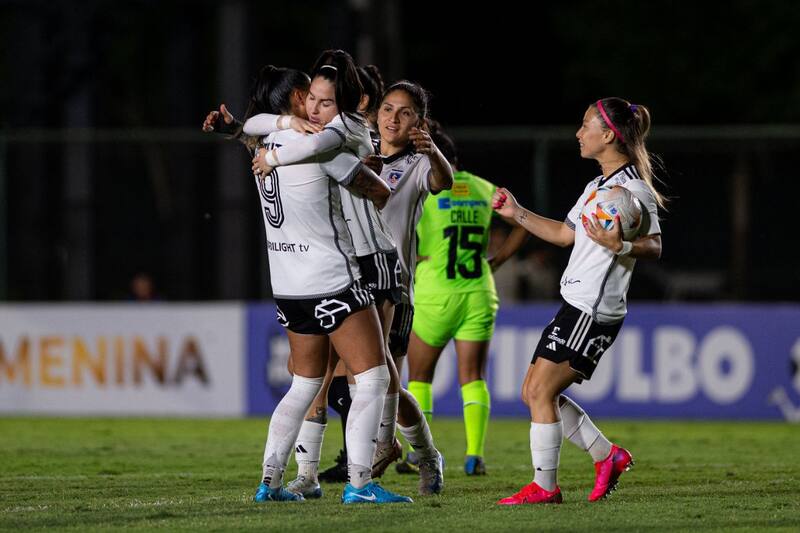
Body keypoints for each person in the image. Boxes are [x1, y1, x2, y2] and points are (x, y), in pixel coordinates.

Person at [248, 51, 444, 499]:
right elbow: (375, 189)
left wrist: (271, 134)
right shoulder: (324, 145)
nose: (315, 108)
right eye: (310, 99)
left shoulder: (265, 145)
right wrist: (362, 168)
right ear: (296, 102)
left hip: (294, 281)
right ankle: (360, 480)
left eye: (324, 100)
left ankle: (275, 481)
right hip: (333, 274)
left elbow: (255, 126)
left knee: (311, 383)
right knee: (373, 378)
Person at [492, 97, 665, 505]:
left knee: (538, 393)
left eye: (586, 125)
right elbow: (564, 235)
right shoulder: (596, 187)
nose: (578, 133)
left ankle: (546, 487)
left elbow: (654, 246)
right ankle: (608, 456)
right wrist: (518, 213)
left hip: (594, 311)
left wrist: (620, 243)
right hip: (575, 304)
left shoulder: (632, 189)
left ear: (608, 135)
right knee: (533, 392)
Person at [404, 124, 528, 476]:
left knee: (420, 377)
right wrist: (499, 260)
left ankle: (419, 455)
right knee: (473, 377)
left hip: (435, 295)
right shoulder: (482, 187)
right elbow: (521, 222)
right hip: (478, 292)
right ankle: (474, 454)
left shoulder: (425, 191)